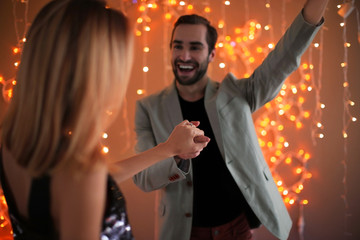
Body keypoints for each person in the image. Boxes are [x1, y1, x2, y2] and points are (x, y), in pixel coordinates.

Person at [0, 0, 210, 240]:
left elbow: (90, 181)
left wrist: (167, 149)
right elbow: (85, 183)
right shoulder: (79, 175)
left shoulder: (15, 140)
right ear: (93, 77)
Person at [133, 0, 329, 239]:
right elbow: (143, 178)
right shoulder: (148, 108)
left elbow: (284, 58)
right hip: (183, 233)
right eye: (178, 46)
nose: (184, 55)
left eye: (195, 47)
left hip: (237, 229)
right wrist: (178, 157)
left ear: (211, 54)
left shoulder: (237, 93)